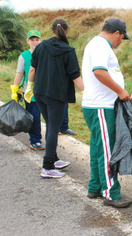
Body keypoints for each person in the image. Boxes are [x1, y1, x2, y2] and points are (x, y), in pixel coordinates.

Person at [81, 18, 132, 208]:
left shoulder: (97, 44)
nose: (120, 42)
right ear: (116, 33)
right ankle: (111, 192)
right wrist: (120, 91)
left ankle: (95, 186)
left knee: (97, 148)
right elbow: (99, 72)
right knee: (107, 150)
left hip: (97, 105)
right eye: (122, 38)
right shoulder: (101, 45)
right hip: (101, 106)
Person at [24, 18, 84, 179]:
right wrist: (87, 93)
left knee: (51, 125)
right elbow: (75, 76)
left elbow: (31, 70)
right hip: (56, 96)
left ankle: (54, 158)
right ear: (66, 31)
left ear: (52, 31)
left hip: (40, 93)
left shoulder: (41, 46)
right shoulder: (68, 51)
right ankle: (47, 166)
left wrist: (29, 88)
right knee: (53, 129)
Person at [10, 30, 45, 150]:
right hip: (30, 93)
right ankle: (35, 140)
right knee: (34, 117)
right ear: (28, 41)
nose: (35, 42)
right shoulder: (24, 56)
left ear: (40, 40)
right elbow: (19, 73)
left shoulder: (45, 53)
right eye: (32, 40)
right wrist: (15, 89)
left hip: (45, 91)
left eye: (37, 39)